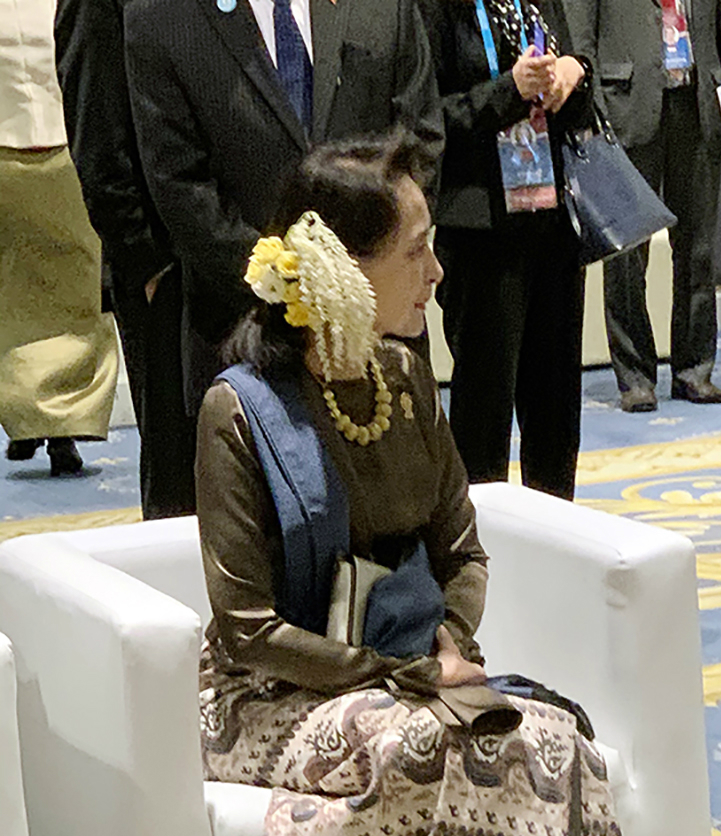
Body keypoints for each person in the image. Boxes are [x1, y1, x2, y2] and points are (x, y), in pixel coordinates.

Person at [195, 134, 636, 836]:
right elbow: (247, 630)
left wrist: (449, 637)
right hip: (275, 701)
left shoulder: (403, 379)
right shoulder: (239, 412)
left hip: (409, 678)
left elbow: (462, 549)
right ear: (342, 269)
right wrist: (398, 678)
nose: (437, 272)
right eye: (418, 251)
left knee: (549, 744)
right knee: (451, 745)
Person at [123, 0, 444, 416]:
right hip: (245, 337)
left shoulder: (384, 8)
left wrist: (361, 278)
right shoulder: (162, 16)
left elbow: (420, 138)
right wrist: (290, 285)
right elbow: (181, 185)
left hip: (385, 333)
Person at [421, 0, 591, 497]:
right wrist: (508, 91)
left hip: (553, 224)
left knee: (556, 414)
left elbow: (575, 90)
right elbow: (427, 117)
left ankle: (560, 545)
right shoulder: (436, 9)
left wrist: (572, 75)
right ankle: (476, 556)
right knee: (482, 415)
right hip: (482, 232)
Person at [564, 0, 721, 412]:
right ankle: (635, 378)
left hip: (699, 103)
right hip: (625, 105)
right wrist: (588, 110)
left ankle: (694, 370)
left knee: (698, 249)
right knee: (628, 256)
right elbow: (581, 36)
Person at [55, 0, 194, 514]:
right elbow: (97, 138)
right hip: (163, 272)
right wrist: (147, 264)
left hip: (231, 253)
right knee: (180, 477)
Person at [0, 0, 116, 476]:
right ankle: (58, 420)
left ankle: (38, 419)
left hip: (28, 141)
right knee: (76, 284)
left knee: (26, 284)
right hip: (61, 140)